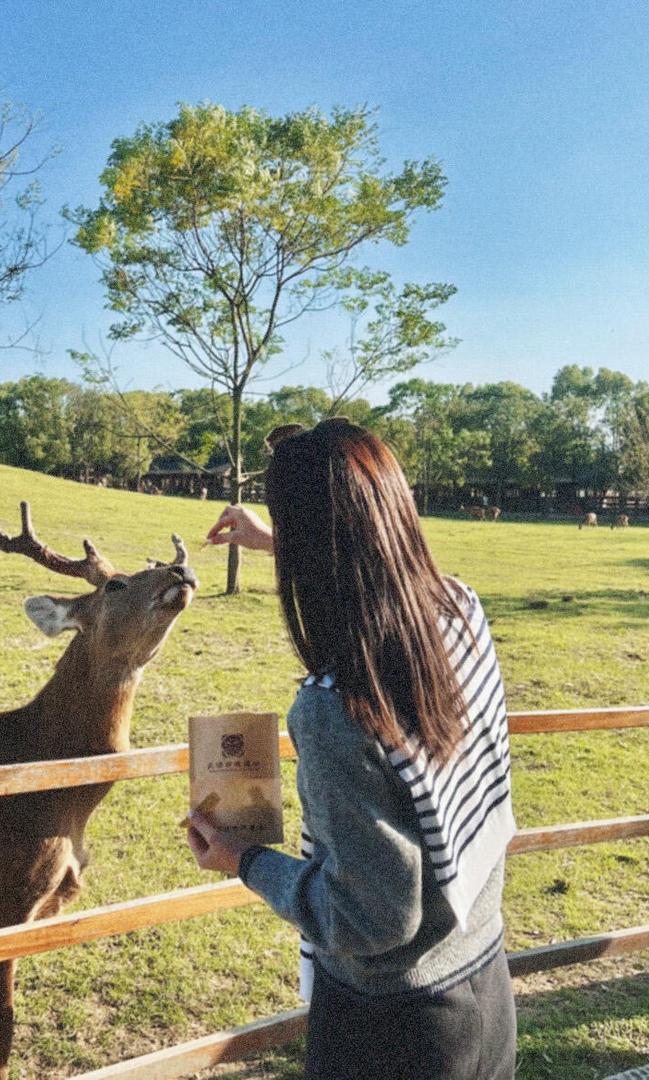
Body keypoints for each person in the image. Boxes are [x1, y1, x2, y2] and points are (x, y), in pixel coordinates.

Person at [185, 418, 516, 1080]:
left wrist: (245, 861)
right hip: (483, 982)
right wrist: (279, 540)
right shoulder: (459, 610)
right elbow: (377, 566)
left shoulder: (336, 708)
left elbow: (373, 919)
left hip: (391, 1028)